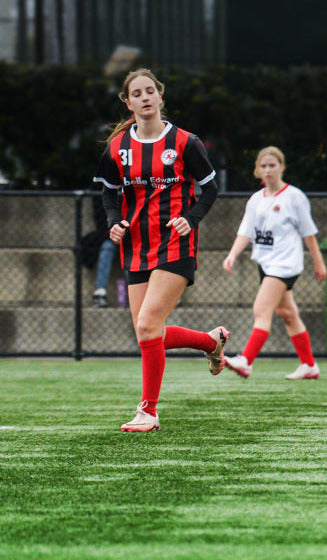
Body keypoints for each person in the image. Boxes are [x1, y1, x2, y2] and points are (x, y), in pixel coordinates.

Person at [93, 68, 227, 432]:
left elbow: (210, 189)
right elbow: (108, 191)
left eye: (150, 91)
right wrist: (113, 221)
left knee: (150, 325)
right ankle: (211, 342)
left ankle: (148, 411)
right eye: (137, 93)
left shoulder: (185, 142)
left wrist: (191, 217)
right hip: (137, 245)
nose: (145, 97)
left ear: (160, 96)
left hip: (174, 243)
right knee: (146, 331)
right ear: (128, 101)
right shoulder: (118, 147)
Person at [220, 147, 327, 380]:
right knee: (288, 313)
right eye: (264, 166)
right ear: (258, 170)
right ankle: (309, 365)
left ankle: (246, 361)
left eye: (272, 165)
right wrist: (232, 255)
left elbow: (308, 233)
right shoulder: (256, 200)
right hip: (266, 263)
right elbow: (245, 233)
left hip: (286, 264)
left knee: (261, 309)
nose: (268, 170)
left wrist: (319, 263)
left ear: (282, 167)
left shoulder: (295, 197)